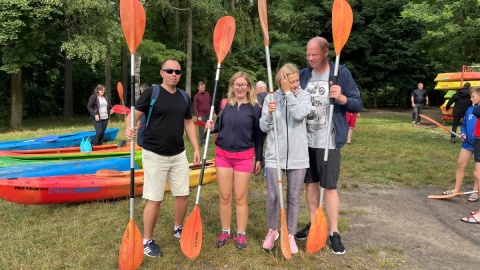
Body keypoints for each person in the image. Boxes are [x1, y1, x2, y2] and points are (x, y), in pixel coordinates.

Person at [124, 59, 200, 257]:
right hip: (155, 154)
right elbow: (134, 114)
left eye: (177, 71)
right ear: (162, 73)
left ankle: (178, 228)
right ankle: (147, 240)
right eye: (170, 71)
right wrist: (129, 127)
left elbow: (188, 122)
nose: (174, 74)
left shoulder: (184, 96)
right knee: (155, 199)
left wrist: (196, 147)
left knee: (182, 195)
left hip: (178, 154)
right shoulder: (153, 92)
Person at [295, 37, 362, 255]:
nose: (310, 58)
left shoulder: (340, 73)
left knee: (329, 187)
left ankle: (333, 232)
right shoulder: (304, 75)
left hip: (329, 141)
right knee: (311, 184)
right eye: (307, 54)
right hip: (305, 140)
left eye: (314, 54)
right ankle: (316, 224)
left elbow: (357, 102)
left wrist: (342, 97)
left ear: (325, 53)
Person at [205, 71, 263, 250]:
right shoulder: (226, 106)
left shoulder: (255, 108)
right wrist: (212, 127)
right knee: (224, 196)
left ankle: (241, 235)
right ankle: (225, 231)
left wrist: (259, 158)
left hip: (244, 157)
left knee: (240, 197)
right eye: (236, 84)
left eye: (243, 85)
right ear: (232, 87)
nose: (239, 87)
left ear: (248, 88)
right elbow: (221, 126)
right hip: (223, 155)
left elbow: (259, 135)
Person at [259, 63, 310, 254]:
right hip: (275, 155)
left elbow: (298, 115)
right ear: (282, 80)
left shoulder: (304, 96)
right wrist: (270, 115)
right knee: (273, 196)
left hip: (298, 155)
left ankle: (290, 235)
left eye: (297, 80)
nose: (296, 84)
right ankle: (273, 231)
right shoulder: (271, 97)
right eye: (292, 81)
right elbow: (264, 126)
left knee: (293, 197)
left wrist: (289, 94)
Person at [442, 100, 479, 202]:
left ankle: (475, 191)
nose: (470, 99)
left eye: (473, 96)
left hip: (478, 143)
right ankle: (456, 189)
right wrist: (463, 133)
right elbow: (464, 124)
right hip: (467, 143)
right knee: (460, 164)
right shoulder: (470, 109)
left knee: (477, 171)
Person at [462, 86, 480, 223]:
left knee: (478, 175)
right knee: (477, 174)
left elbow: (476, 111)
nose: (471, 99)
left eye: (474, 96)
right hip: (476, 139)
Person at [193, 81, 212, 147]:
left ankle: (204, 138)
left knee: (209, 128)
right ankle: (202, 143)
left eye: (204, 87)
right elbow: (195, 107)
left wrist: (214, 112)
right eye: (201, 88)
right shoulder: (196, 96)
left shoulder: (208, 94)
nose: (203, 89)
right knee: (201, 129)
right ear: (198, 88)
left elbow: (211, 103)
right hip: (201, 115)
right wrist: (198, 116)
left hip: (208, 114)